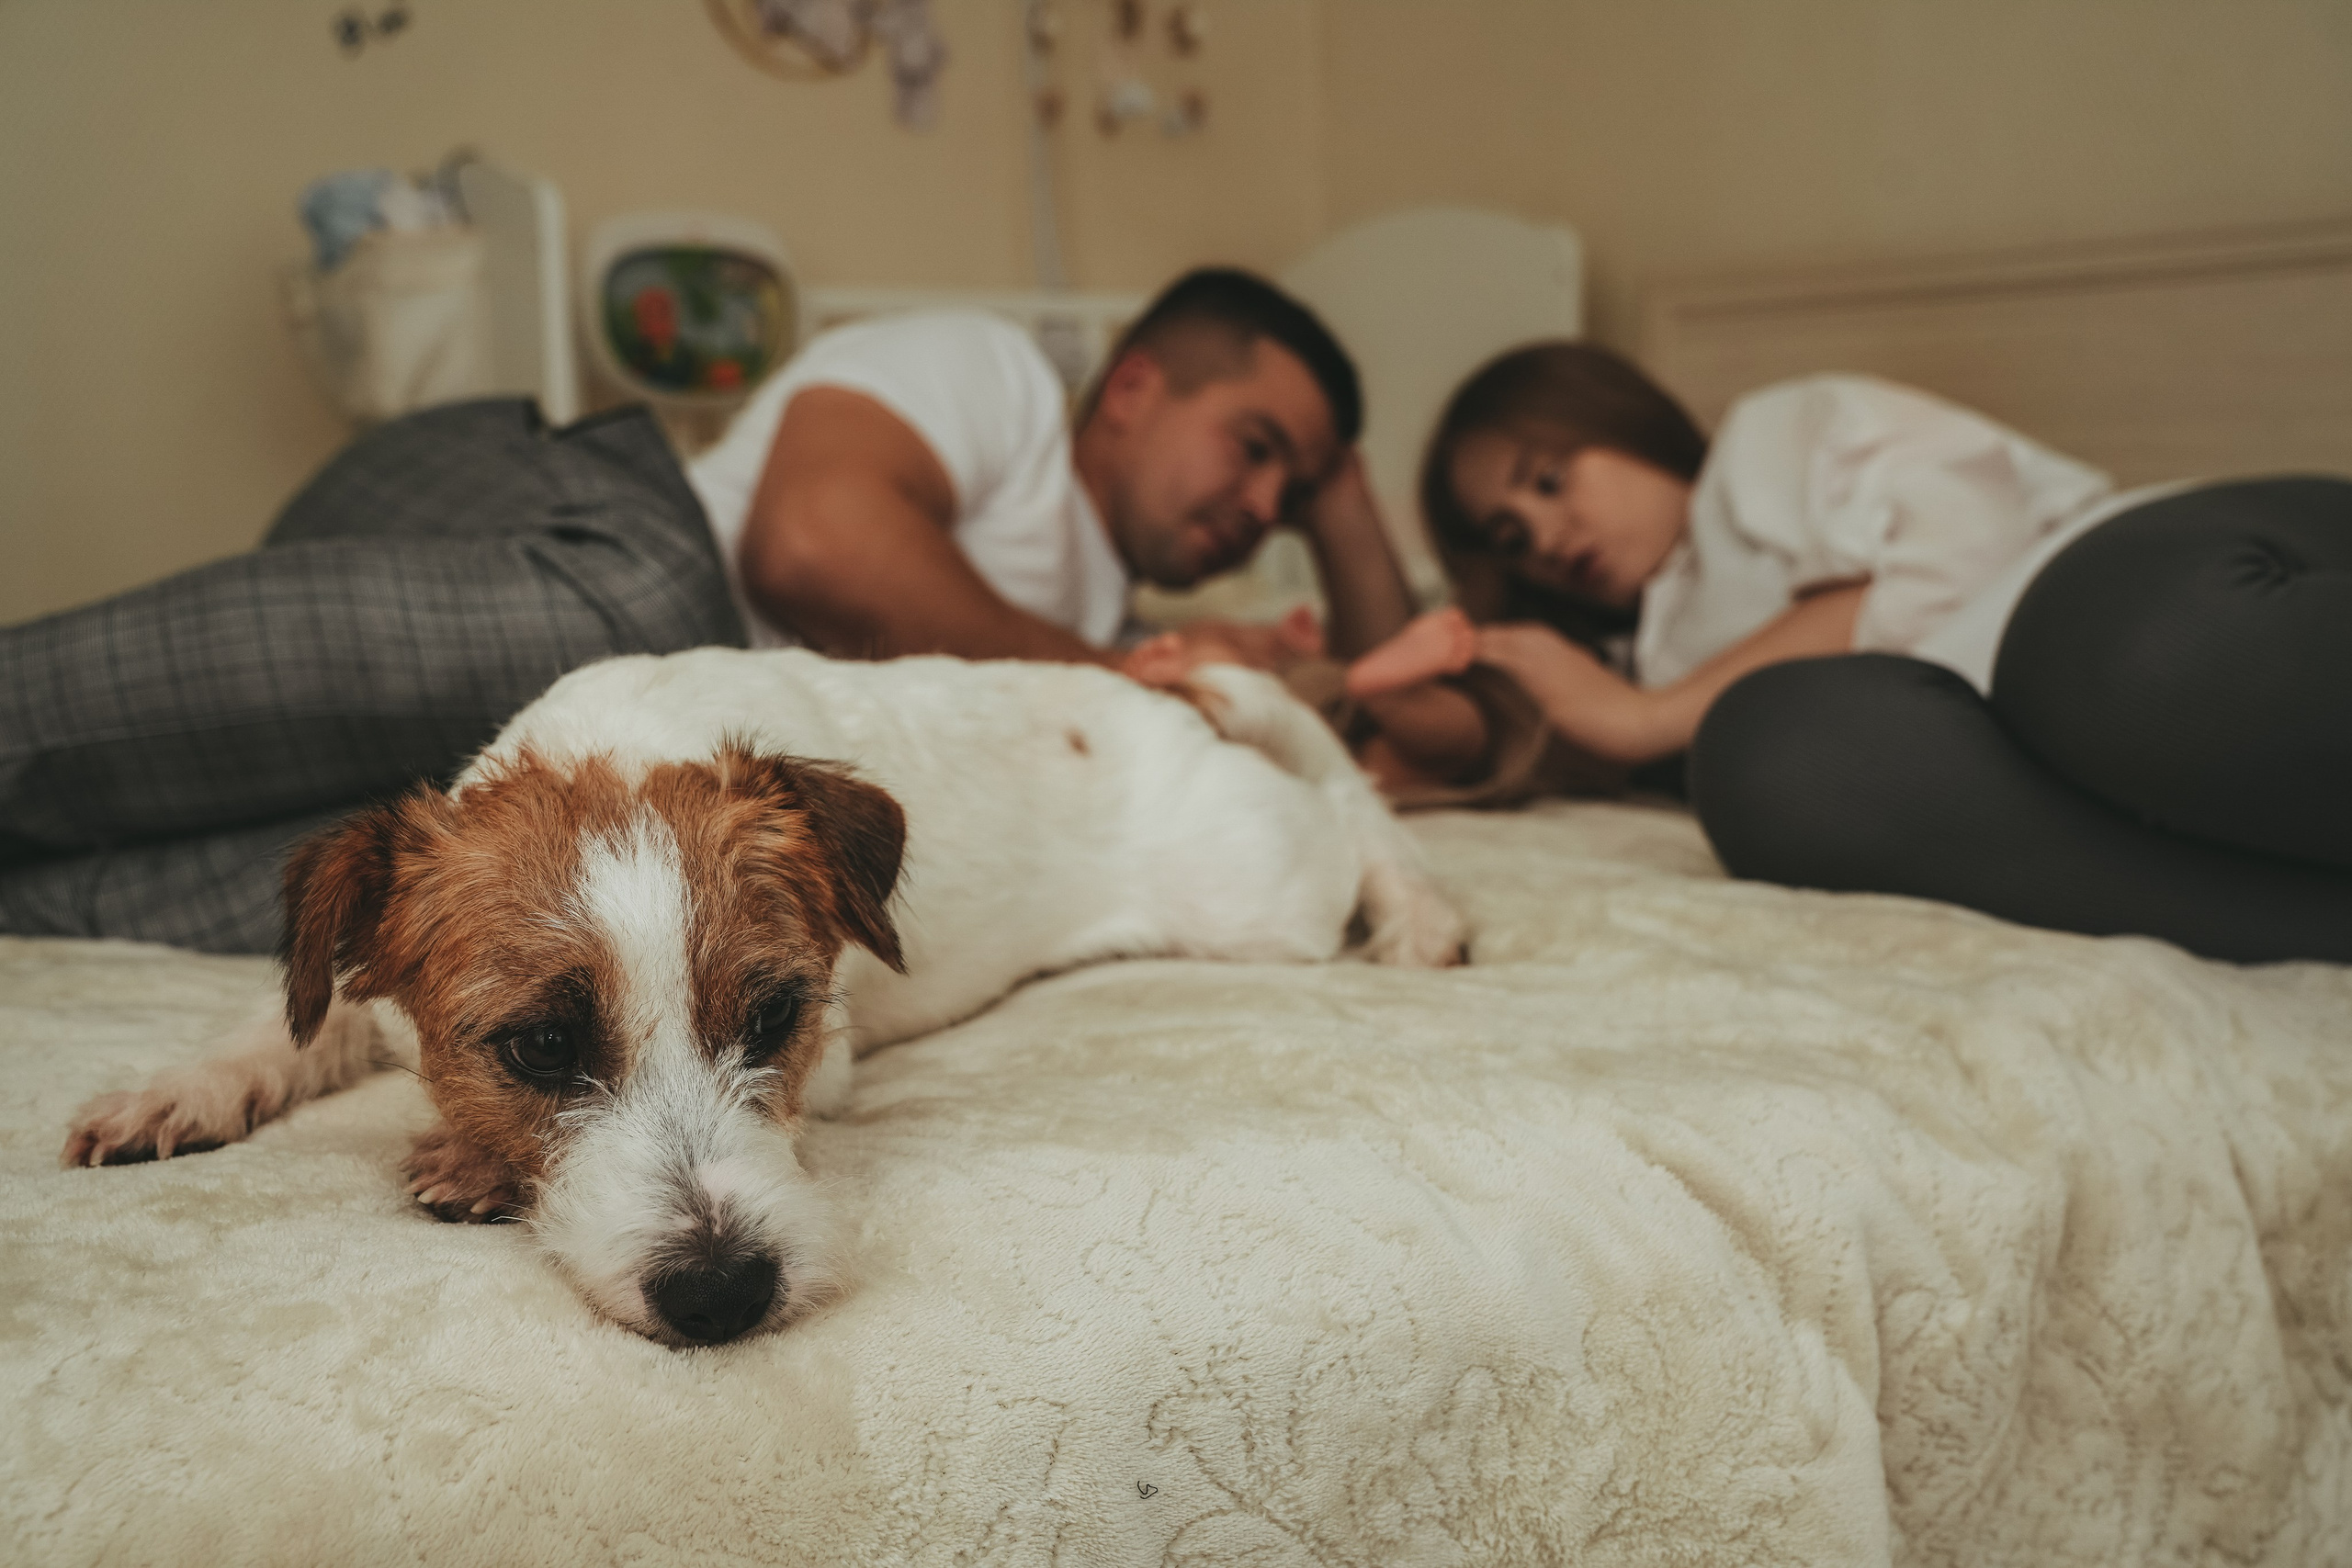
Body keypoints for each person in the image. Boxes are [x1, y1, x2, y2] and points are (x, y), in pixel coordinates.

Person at [0, 268, 1419, 953]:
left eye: (1292, 493)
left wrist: (1346, 504)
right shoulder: (995, 382)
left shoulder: (1086, 612)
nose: (1263, 503)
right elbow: (809, 545)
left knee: (343, 912)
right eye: (1257, 444)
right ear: (1136, 386)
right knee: (661, 594)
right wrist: (1115, 670)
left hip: (566, 752)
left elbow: (1408, 692)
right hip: (526, 531)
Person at [1336, 342, 2352, 964]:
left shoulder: (1769, 441)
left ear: (1619, 418)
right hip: (2035, 740)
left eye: (1549, 478)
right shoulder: (1659, 665)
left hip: (2198, 587)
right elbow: (1485, 735)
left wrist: (1653, 714)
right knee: (1774, 763)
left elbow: (1952, 556)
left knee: (2112, 648)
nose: (1545, 535)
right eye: (1511, 536)